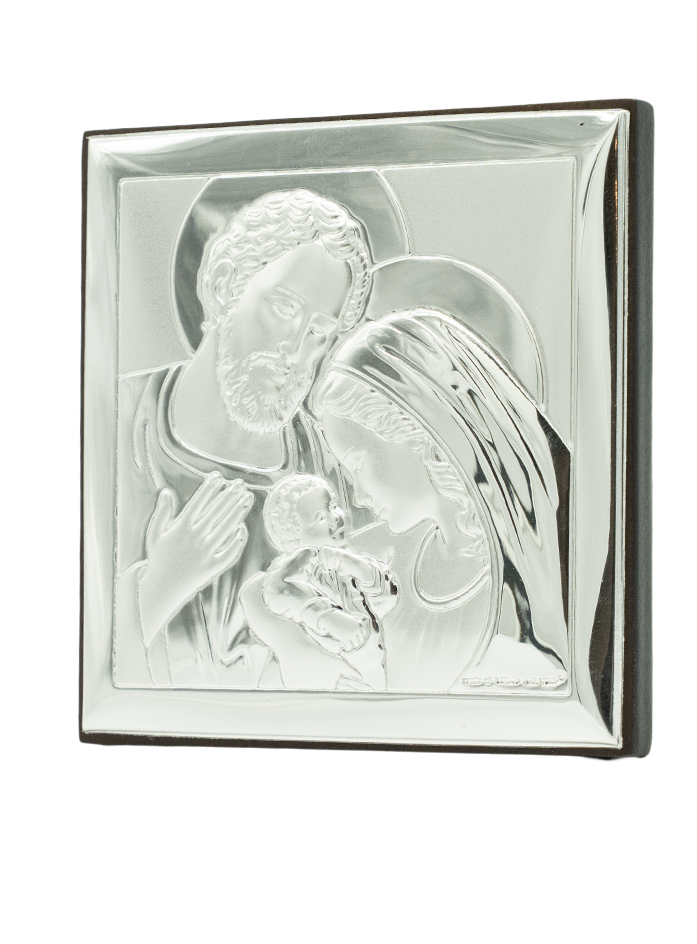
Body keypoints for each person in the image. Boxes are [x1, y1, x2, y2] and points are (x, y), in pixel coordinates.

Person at [114, 189, 371, 687]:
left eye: (319, 332)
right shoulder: (114, 422)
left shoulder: (337, 472)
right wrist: (158, 586)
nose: (295, 351)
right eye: (283, 308)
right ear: (223, 285)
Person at [310, 308, 570, 693]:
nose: (358, 497)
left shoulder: (533, 588)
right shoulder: (374, 559)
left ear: (421, 430)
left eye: (358, 464)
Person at [254, 473, 398, 689]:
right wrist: (327, 617)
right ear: (294, 538)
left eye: (334, 506)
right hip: (329, 676)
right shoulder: (303, 560)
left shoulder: (346, 561)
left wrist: (359, 568)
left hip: (371, 666)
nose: (335, 518)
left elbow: (386, 599)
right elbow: (276, 589)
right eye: (320, 518)